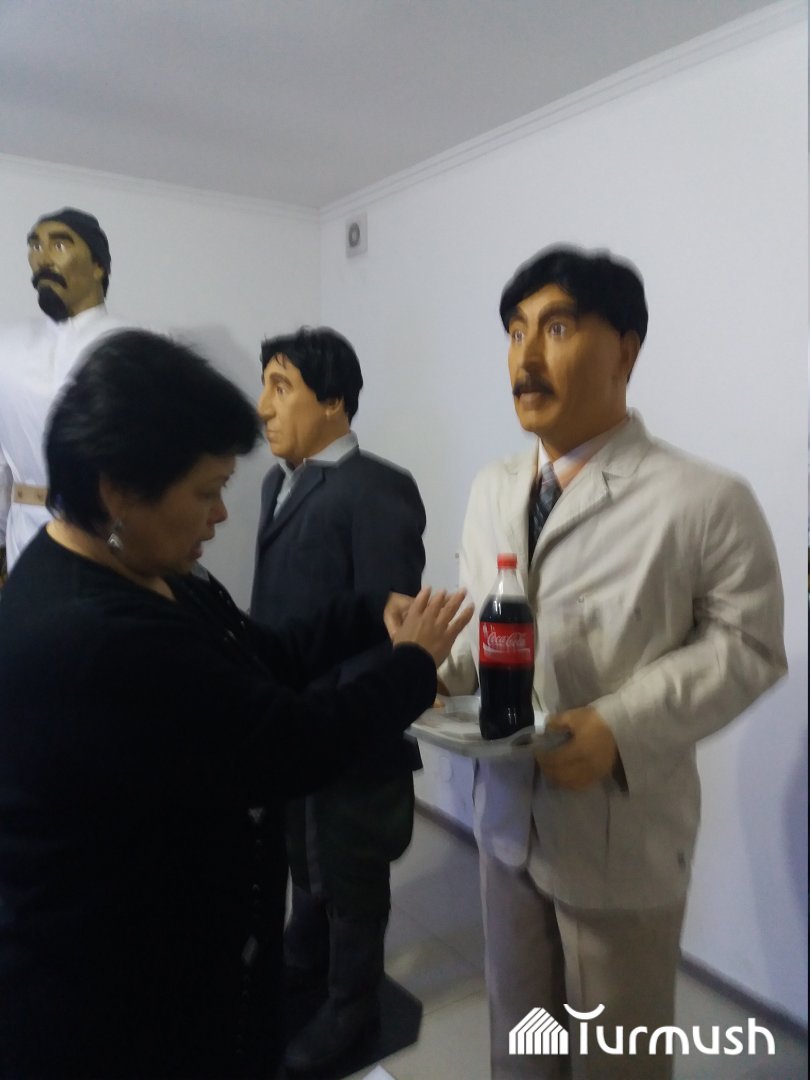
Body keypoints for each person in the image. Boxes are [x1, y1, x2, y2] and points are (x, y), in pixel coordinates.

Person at [0, 329, 472, 1080]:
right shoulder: (90, 633)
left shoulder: (145, 569)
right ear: (119, 490)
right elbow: (285, 744)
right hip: (118, 1008)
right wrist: (415, 665)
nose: (220, 514)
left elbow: (258, 651)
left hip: (190, 966)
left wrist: (367, 616)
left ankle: (344, 1000)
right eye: (204, 492)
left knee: (346, 879)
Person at [438, 245, 786, 1080]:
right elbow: (485, 628)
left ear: (625, 350)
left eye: (557, 328)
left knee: (616, 1055)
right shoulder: (493, 488)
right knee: (521, 1041)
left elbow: (749, 645)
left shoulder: (705, 499)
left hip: (619, 836)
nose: (525, 356)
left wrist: (619, 725)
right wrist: (431, 662)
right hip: (505, 823)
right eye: (515, 331)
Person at [251, 326, 426, 1074]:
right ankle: (305, 954)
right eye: (265, 385)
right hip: (290, 713)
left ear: (333, 401)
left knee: (350, 863)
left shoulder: (376, 489)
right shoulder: (277, 484)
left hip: (348, 725)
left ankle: (353, 1001)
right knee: (300, 847)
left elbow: (386, 622)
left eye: (281, 387)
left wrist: (358, 722)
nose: (264, 406)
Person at [0, 207, 127, 583]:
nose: (42, 258)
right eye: (35, 246)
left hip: (105, 534)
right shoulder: (7, 348)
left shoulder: (135, 345)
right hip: (23, 533)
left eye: (59, 245)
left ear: (98, 266)